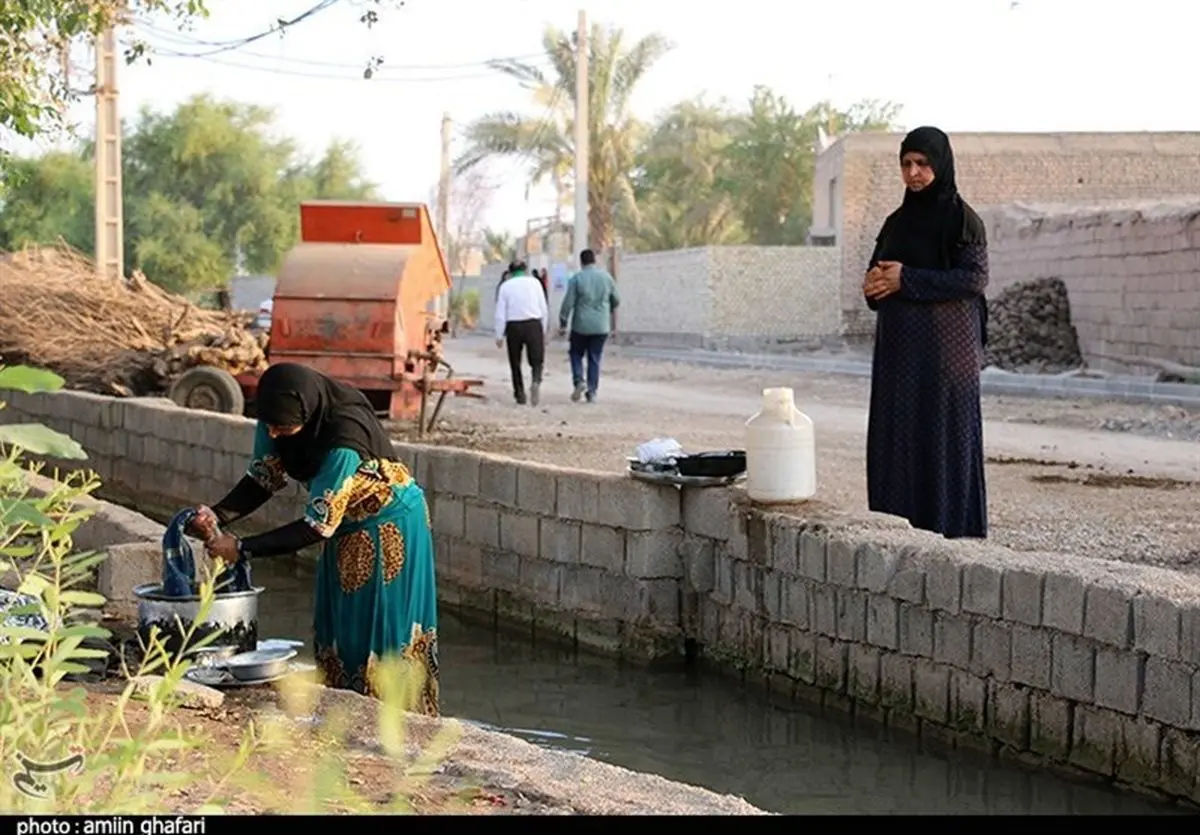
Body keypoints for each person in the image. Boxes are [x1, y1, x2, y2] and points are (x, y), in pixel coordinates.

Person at [190, 363, 440, 714]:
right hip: (344, 525)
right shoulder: (276, 416)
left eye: (283, 428)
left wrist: (241, 548)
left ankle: (393, 721)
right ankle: (345, 716)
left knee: (380, 630)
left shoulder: (342, 441)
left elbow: (315, 526)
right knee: (339, 628)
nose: (275, 435)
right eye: (270, 426)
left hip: (390, 527)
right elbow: (263, 478)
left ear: (307, 412)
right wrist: (217, 514)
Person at [862, 126, 989, 540]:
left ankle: (951, 533)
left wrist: (907, 280)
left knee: (942, 438)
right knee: (898, 438)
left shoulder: (961, 219)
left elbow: (974, 278)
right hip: (900, 355)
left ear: (941, 164)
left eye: (923, 163)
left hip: (946, 355)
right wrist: (874, 286)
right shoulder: (895, 223)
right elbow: (881, 270)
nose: (914, 173)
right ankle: (897, 530)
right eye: (906, 164)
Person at [558, 249, 619, 403]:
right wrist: (608, 310)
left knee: (576, 354)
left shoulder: (577, 279)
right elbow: (616, 299)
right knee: (595, 357)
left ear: (581, 262)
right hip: (601, 326)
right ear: (595, 260)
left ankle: (579, 381)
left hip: (581, 326)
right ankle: (592, 392)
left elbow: (568, 304)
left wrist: (563, 321)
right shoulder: (607, 278)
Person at [493, 259, 549, 406]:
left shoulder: (505, 286)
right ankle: (536, 380)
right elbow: (543, 308)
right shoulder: (535, 283)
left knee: (515, 362)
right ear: (525, 270)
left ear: (510, 272)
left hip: (514, 326)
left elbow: (500, 313)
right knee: (537, 360)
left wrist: (499, 335)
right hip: (533, 323)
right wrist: (543, 329)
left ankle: (520, 394)